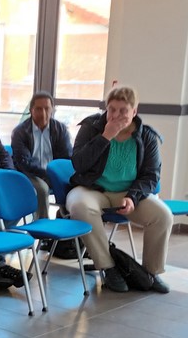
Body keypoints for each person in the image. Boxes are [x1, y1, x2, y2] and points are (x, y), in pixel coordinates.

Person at [66, 85, 173, 294]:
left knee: (162, 215)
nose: (116, 115)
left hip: (128, 193)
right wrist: (105, 137)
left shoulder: (147, 136)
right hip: (92, 189)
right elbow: (79, 163)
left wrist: (133, 197)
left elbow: (151, 175)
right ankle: (108, 267)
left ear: (134, 111)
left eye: (123, 110)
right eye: (112, 109)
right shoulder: (91, 128)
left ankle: (150, 273)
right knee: (79, 207)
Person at [10, 91, 73, 220]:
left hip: (53, 174)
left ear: (52, 110)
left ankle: (64, 220)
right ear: (31, 110)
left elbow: (66, 157)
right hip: (30, 174)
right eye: (39, 109)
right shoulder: (20, 132)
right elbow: (23, 162)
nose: (43, 113)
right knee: (42, 189)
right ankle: (42, 225)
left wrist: (54, 173)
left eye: (47, 109)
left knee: (74, 186)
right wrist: (46, 173)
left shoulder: (60, 130)